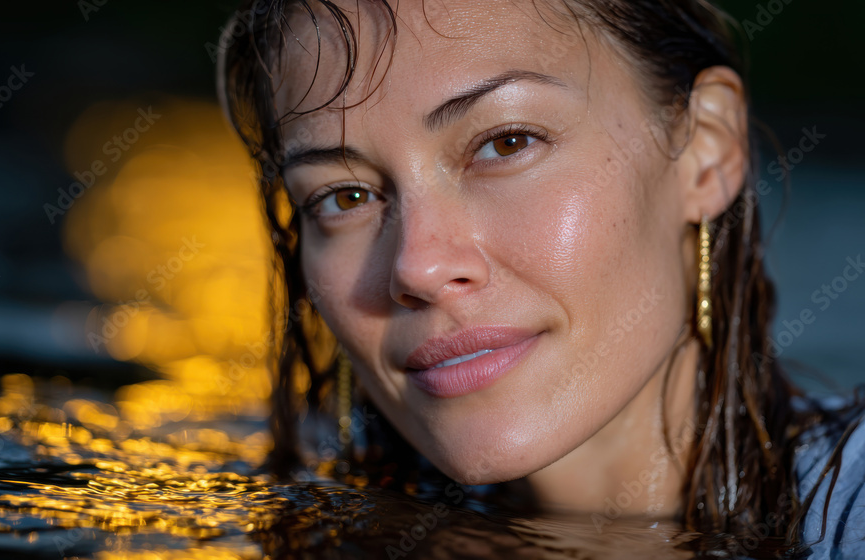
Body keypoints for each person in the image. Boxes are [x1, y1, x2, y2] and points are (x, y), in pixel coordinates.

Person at [215, 0, 865, 556]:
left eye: (505, 143)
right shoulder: (301, 495)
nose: (419, 267)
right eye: (345, 197)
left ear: (704, 150)